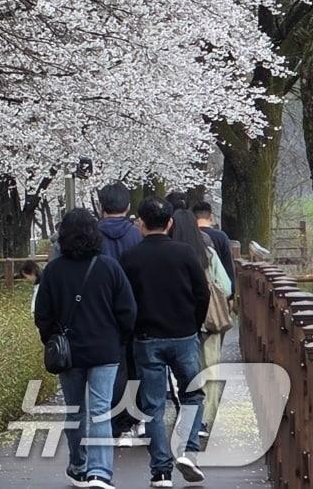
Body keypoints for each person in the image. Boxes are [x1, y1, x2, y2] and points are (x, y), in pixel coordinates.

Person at [36, 208, 137, 489]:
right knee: (101, 411)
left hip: (69, 353)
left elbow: (42, 314)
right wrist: (119, 339)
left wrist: (52, 339)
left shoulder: (54, 271)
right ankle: (100, 472)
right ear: (94, 234)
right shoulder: (109, 267)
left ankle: (78, 466)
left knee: (74, 410)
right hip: (105, 349)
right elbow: (128, 310)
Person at [120, 198, 211, 487]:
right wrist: (193, 323)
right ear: (170, 223)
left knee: (153, 405)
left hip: (147, 338)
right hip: (184, 334)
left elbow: (124, 302)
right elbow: (202, 293)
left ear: (141, 224)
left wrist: (132, 329)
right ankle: (188, 451)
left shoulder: (130, 258)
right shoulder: (185, 253)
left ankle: (161, 471)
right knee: (192, 394)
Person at [175, 207, 233, 446]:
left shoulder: (171, 255)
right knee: (210, 369)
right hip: (208, 321)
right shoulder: (207, 253)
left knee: (183, 371)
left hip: (179, 323)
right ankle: (205, 420)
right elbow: (226, 286)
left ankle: (186, 416)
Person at [97, 182, 142, 440]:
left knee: (110, 367)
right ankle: (132, 417)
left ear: (101, 206)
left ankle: (111, 420)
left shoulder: (93, 236)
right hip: (134, 308)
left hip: (102, 312)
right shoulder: (136, 235)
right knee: (134, 365)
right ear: (128, 206)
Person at [192, 200, 235, 285]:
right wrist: (231, 287)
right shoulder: (221, 236)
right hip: (217, 284)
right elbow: (228, 265)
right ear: (211, 217)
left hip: (195, 284)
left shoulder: (189, 234)